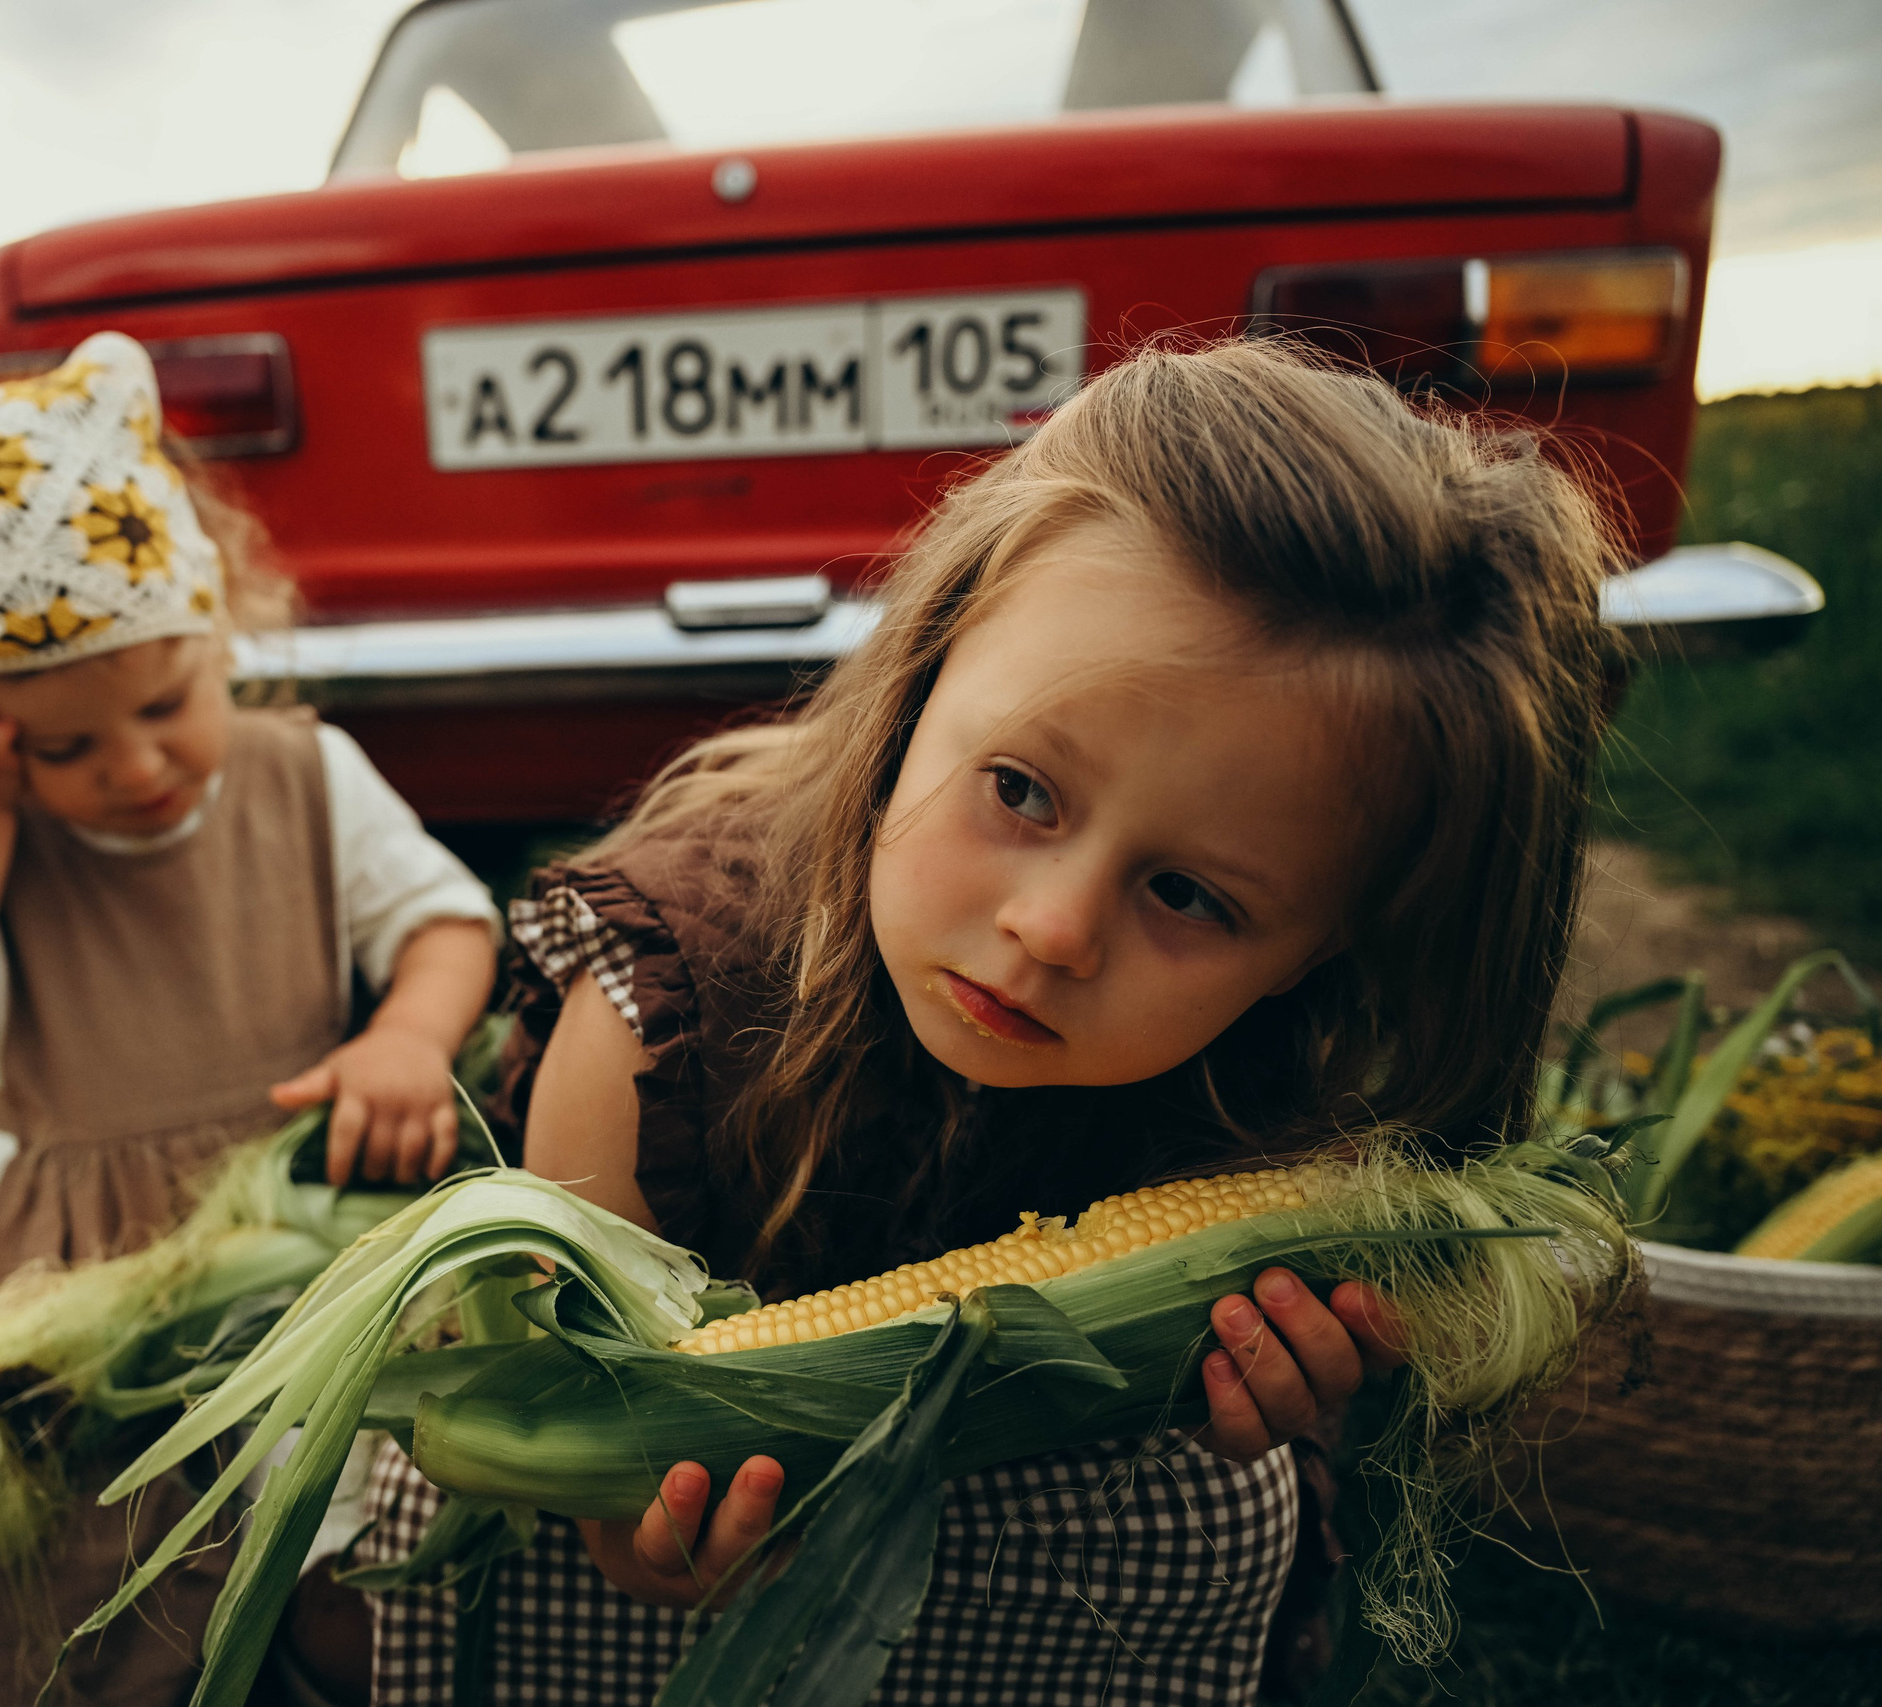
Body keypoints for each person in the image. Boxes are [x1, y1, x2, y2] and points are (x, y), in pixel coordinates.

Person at [353, 338, 1618, 1705]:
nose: (1054, 930)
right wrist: (638, 1530)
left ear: (1328, 950)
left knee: (1225, 1514)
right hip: (689, 1601)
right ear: (919, 681)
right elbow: (581, 1435)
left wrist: (1277, 1394)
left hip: (1029, 1560)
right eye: (1019, 790)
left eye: (1189, 894)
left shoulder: (1282, 1101)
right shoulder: (652, 1019)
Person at [0, 332, 501, 1707]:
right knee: (55, 1593)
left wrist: (408, 1034)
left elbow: (444, 922)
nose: (137, 765)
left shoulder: (310, 778)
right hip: (58, 1291)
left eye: (167, 705)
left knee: (330, 1543)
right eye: (65, 746)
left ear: (218, 629)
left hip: (290, 1247)